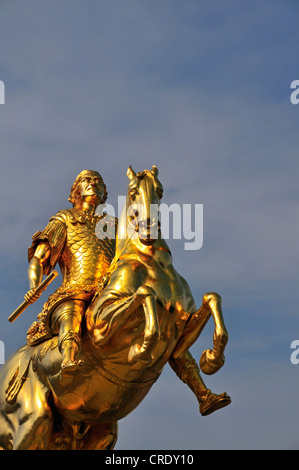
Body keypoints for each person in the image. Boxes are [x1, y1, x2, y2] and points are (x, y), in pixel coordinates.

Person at [25, 170, 116, 380]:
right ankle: (68, 357)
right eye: (87, 180)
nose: (93, 183)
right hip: (73, 292)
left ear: (104, 193)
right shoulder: (65, 219)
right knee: (72, 314)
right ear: (76, 190)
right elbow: (39, 258)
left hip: (107, 293)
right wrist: (33, 286)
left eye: (98, 181)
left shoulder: (113, 225)